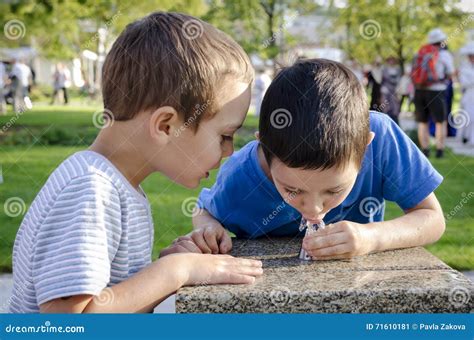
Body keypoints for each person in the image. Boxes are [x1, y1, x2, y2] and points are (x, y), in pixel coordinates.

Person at [9, 11, 262, 314]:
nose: (230, 152)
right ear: (166, 125)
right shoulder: (90, 190)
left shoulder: (116, 185)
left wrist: (163, 268)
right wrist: (176, 271)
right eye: (225, 135)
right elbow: (67, 322)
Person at [170, 59, 445, 262]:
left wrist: (370, 237)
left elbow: (432, 219)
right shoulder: (240, 178)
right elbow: (204, 210)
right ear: (263, 149)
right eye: (293, 190)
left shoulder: (382, 138)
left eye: (333, 190)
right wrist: (208, 229)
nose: (313, 210)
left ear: (365, 148)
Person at [412, 28, 454, 158]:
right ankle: (440, 150)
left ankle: (425, 150)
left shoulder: (419, 53)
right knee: (440, 122)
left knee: (422, 122)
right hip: (436, 91)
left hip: (419, 90)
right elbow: (450, 72)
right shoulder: (444, 54)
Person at [458, 42, 474, 145]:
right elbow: (464, 83)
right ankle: (466, 136)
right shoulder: (464, 68)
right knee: (469, 116)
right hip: (469, 95)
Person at [380, 56, 401, 124]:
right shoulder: (384, 69)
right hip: (386, 88)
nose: (391, 62)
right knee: (385, 104)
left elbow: (398, 79)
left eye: (392, 60)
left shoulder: (397, 69)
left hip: (394, 89)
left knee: (395, 104)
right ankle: (385, 120)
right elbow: (383, 79)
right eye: (390, 60)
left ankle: (394, 121)